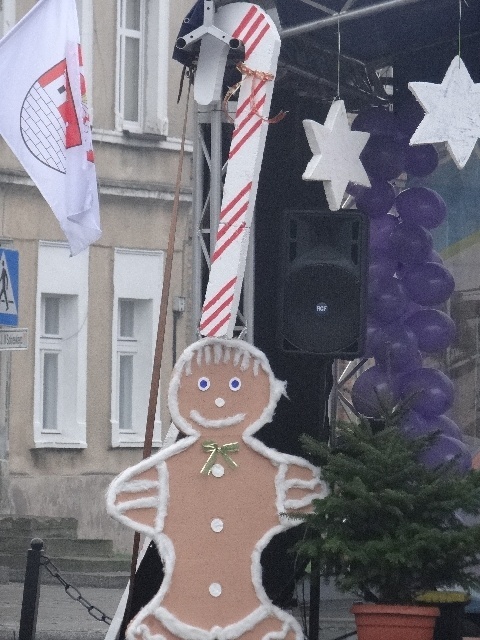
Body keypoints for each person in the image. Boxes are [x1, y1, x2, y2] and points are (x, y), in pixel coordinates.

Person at [107, 337, 327, 640]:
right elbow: (125, 499)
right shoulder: (170, 469)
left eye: (235, 385)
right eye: (203, 385)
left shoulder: (270, 471)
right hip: (178, 614)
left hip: (247, 612)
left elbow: (308, 495)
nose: (220, 399)